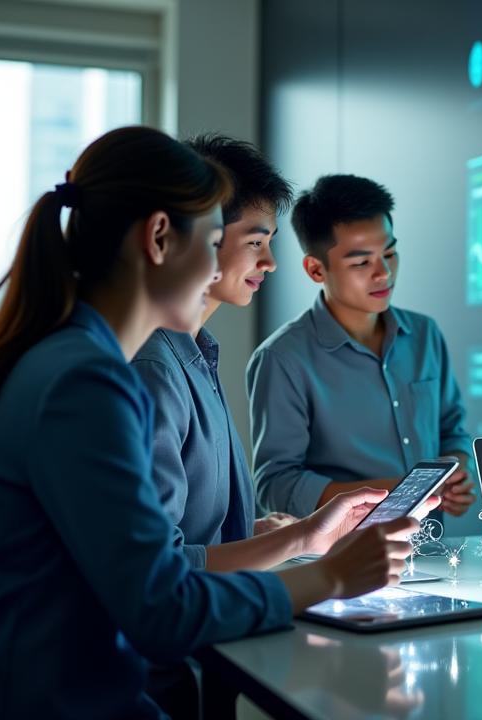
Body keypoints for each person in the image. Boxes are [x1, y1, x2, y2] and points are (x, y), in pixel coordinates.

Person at [0, 127, 417, 719]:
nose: (221, 267)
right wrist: (332, 578)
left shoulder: (76, 359)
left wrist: (307, 543)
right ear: (160, 238)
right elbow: (163, 609)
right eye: (215, 241)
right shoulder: (86, 381)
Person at [248, 174, 476, 518]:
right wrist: (403, 492)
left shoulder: (425, 334)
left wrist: (454, 474)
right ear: (315, 269)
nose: (383, 273)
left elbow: (451, 431)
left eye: (390, 253)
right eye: (361, 263)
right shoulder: (282, 358)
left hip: (432, 554)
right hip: (337, 562)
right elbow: (277, 485)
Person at [131, 133, 305, 574]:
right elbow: (157, 568)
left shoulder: (195, 355)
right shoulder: (152, 367)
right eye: (254, 243)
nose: (270, 262)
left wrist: (259, 533)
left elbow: (195, 535)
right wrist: (303, 541)